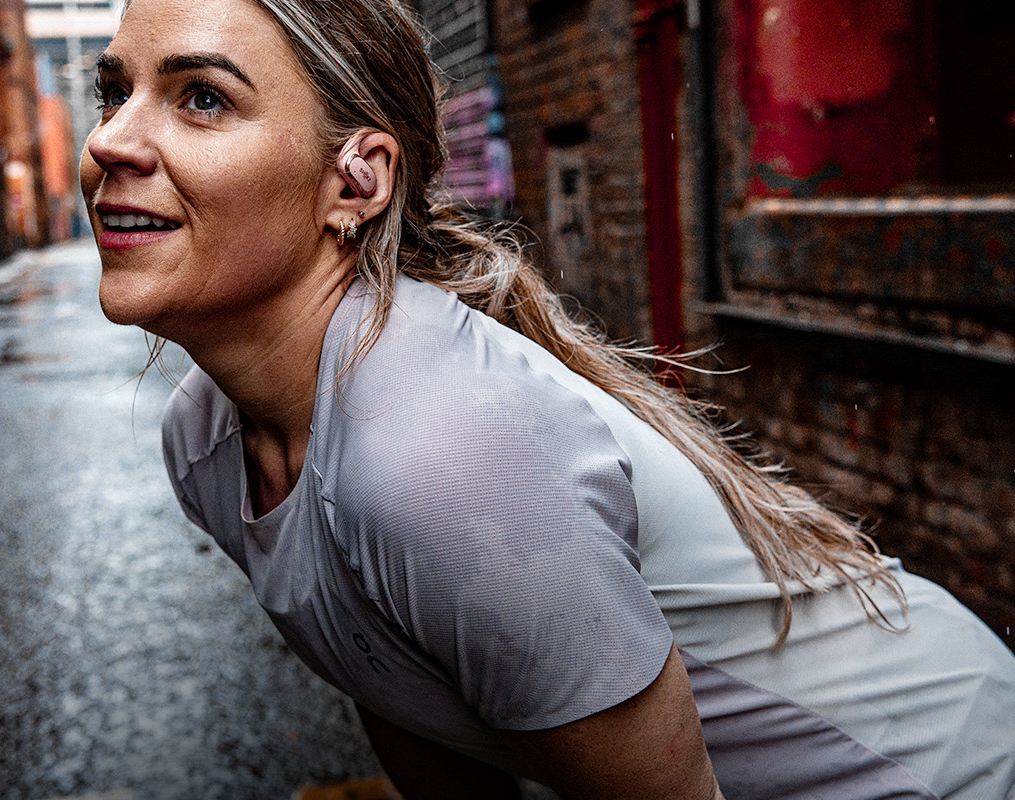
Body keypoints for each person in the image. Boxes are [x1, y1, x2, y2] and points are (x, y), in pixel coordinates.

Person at [78, 0, 1015, 797]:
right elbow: (396, 680)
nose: (110, 140)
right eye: (115, 90)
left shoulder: (439, 454)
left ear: (356, 180)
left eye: (202, 97)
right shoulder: (206, 440)